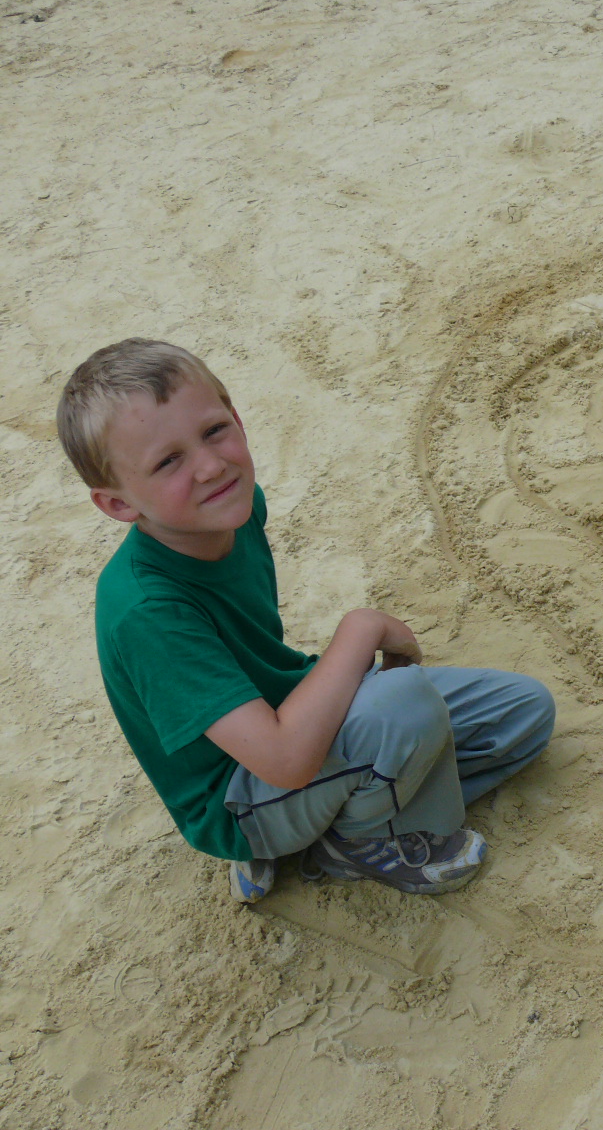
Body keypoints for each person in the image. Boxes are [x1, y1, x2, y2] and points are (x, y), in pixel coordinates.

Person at [56, 339, 555, 903]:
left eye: (214, 430)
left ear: (237, 418)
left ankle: (335, 820)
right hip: (239, 793)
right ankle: (354, 842)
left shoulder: (235, 508)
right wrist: (361, 628)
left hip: (284, 715)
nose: (211, 466)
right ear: (119, 505)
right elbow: (285, 761)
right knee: (403, 706)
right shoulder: (149, 612)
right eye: (168, 461)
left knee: (522, 714)